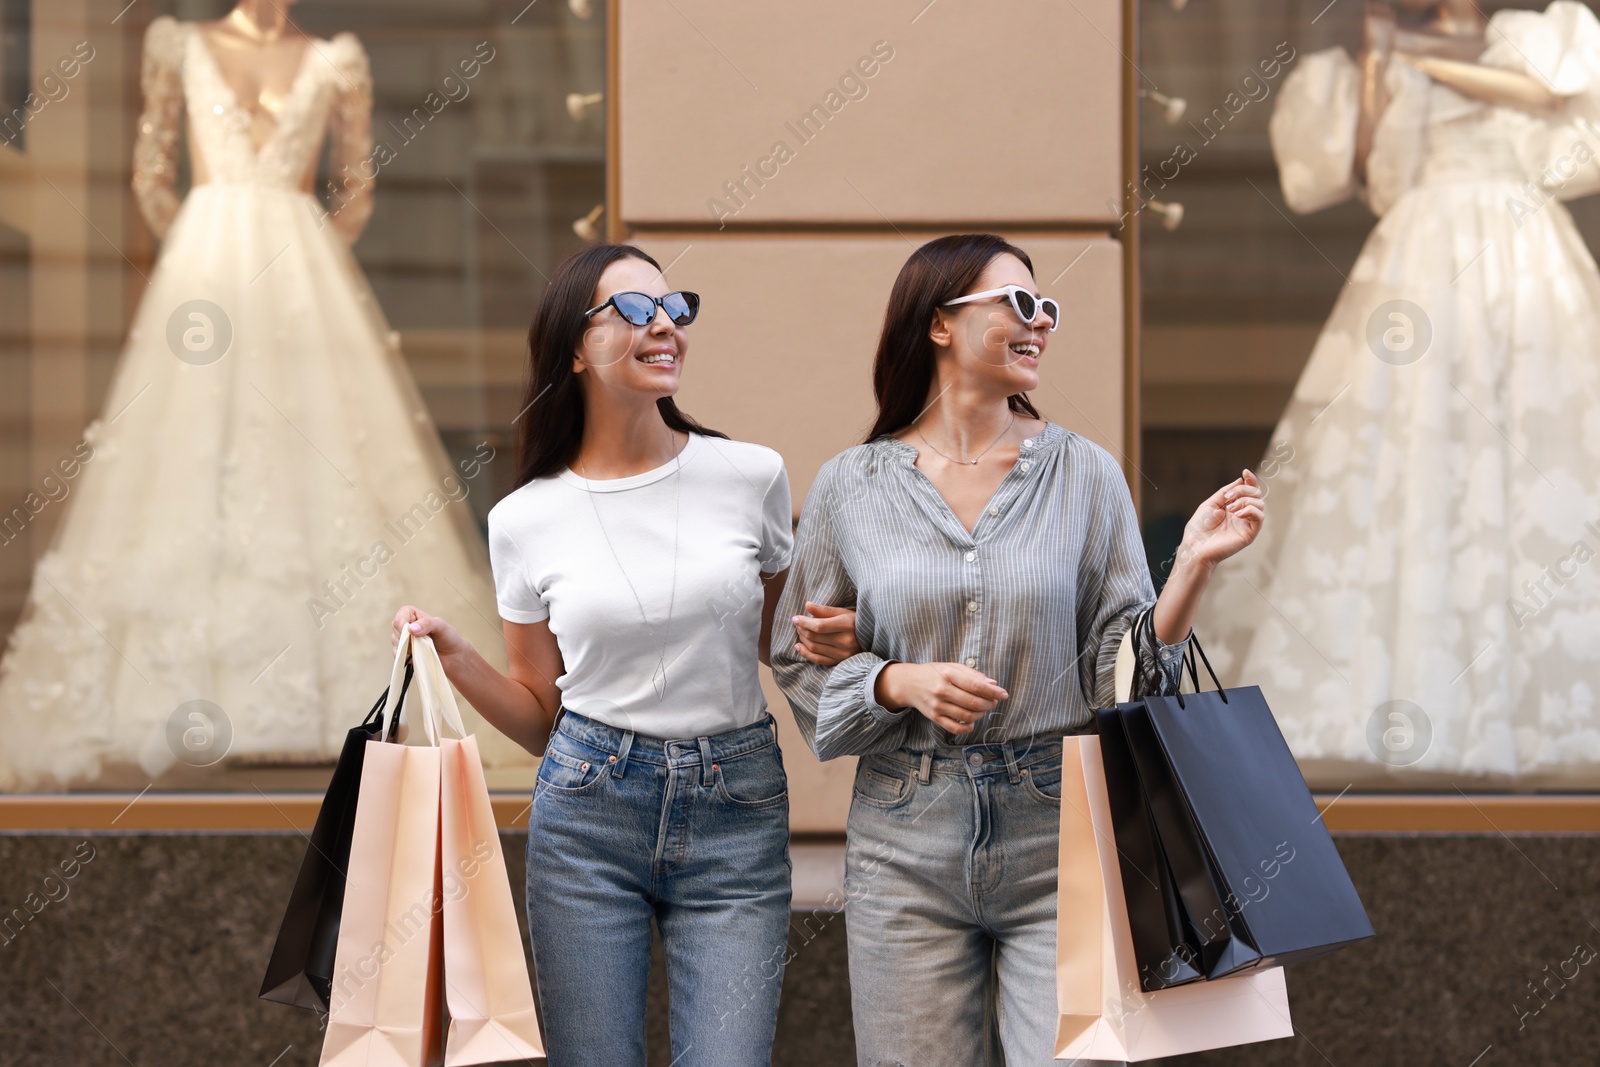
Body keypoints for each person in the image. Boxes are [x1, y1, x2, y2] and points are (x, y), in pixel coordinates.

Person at [771, 233, 1264, 1065]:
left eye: (1048, 309)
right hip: (903, 833)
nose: (1039, 323)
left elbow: (1125, 681)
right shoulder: (850, 485)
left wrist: (1187, 570)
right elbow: (797, 656)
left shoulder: (1085, 474)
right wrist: (893, 679)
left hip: (1057, 824)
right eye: (1017, 304)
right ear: (938, 323)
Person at [0, 0, 515, 788]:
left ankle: (332, 708)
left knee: (317, 466)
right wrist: (204, 250)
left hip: (287, 272)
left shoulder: (335, 57)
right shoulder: (178, 45)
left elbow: (357, 190)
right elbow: (150, 173)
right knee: (186, 464)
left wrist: (291, 252)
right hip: (208, 269)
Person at [393, 243, 857, 1067]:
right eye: (636, 310)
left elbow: (782, 644)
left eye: (676, 308)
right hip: (588, 808)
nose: (666, 326)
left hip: (736, 803)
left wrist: (851, 634)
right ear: (576, 347)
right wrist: (459, 658)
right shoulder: (525, 518)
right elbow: (541, 717)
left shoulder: (750, 474)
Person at [1199, 0, 1600, 784]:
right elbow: (1336, 172)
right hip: (1416, 261)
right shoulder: (1359, 60)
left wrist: (1420, 58)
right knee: (1409, 457)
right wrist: (1383, 57)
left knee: (1537, 463)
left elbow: (1557, 104)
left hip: (1523, 261)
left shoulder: (1542, 38)